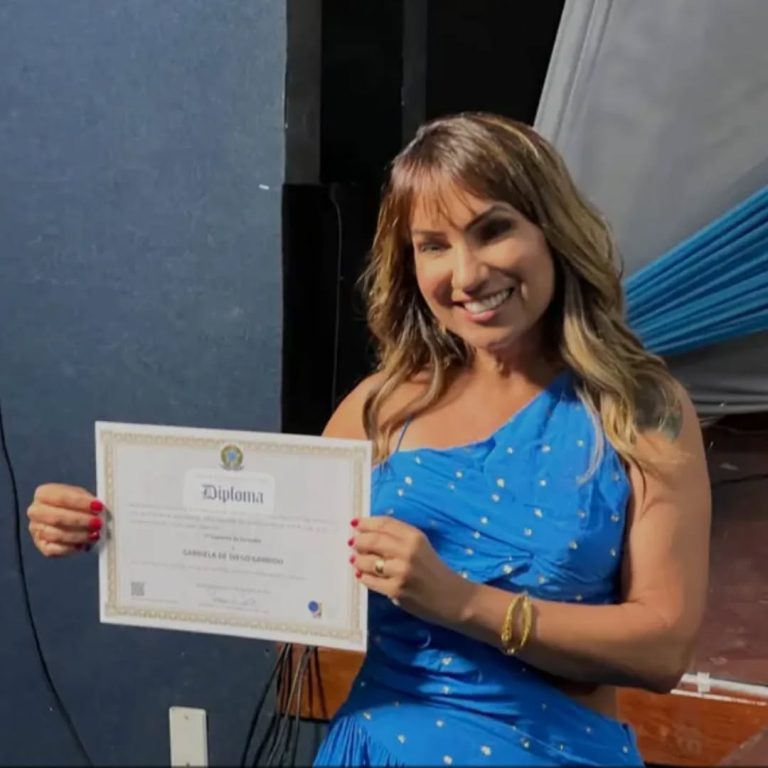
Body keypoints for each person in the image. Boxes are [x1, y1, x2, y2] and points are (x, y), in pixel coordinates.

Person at [27, 113, 711, 766]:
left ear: (552, 231)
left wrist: (462, 602)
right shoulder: (381, 407)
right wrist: (116, 524)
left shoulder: (639, 409)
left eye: (493, 230)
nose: (467, 274)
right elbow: (262, 555)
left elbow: (662, 649)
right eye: (434, 245)